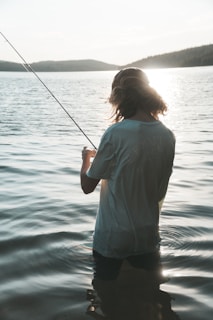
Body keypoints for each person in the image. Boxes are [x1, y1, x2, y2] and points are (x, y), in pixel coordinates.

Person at [81, 67, 175, 281]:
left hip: (112, 238)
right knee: (151, 299)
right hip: (147, 236)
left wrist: (86, 158)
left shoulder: (115, 132)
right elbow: (155, 185)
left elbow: (87, 186)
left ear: (118, 96)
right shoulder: (167, 135)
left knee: (104, 302)